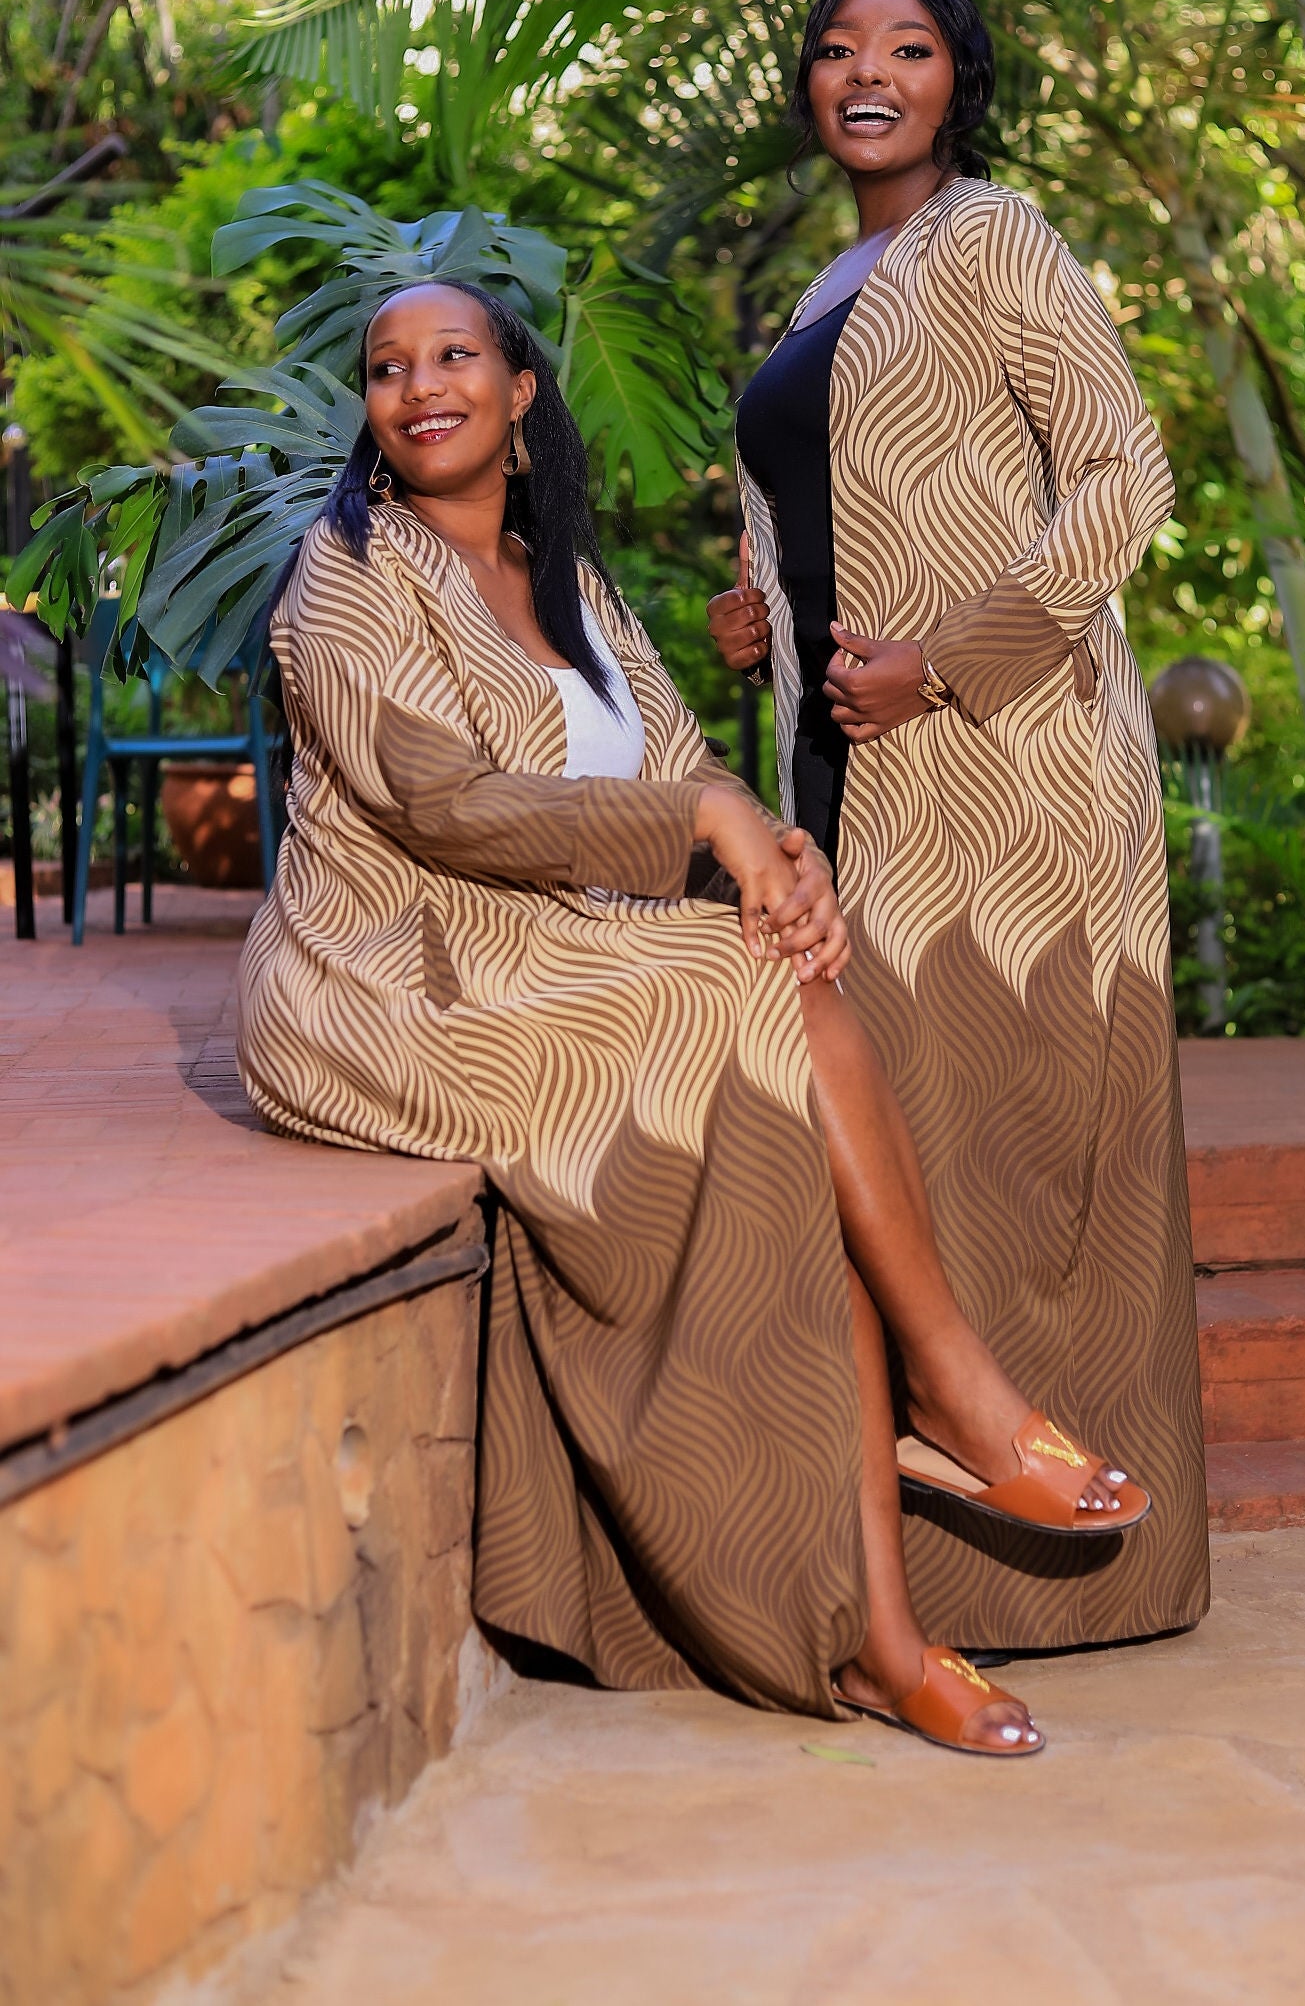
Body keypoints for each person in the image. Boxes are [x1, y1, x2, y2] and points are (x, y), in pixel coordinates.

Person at [237, 276, 1151, 1759]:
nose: (420, 386)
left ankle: (883, 1625)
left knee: (784, 1015)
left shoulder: (567, 584)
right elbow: (441, 803)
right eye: (388, 367)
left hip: (566, 945)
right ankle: (949, 1400)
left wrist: (778, 857)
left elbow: (675, 760)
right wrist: (709, 824)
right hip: (399, 976)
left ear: (521, 395)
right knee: (756, 992)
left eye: (454, 355)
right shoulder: (347, 574)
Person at [709, 0, 1209, 1653]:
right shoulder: (817, 290)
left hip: (1011, 779)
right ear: (807, 85)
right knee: (901, 1149)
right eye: (837, 48)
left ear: (953, 83)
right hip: (848, 772)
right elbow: (830, 510)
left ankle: (1085, 1572)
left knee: (1013, 1147)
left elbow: (1124, 471)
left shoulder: (993, 238)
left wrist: (951, 662)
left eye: (906, 48)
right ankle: (913, 1575)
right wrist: (759, 614)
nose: (867, 72)